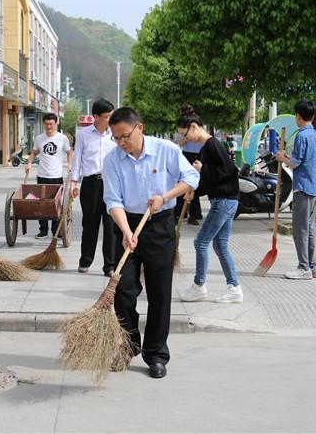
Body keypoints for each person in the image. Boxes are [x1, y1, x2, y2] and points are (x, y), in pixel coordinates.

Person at [103, 107, 199, 379]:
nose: (121, 143)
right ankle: (128, 344)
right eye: (116, 138)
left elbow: (192, 177)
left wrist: (165, 196)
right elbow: (113, 200)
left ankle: (155, 354)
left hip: (159, 225)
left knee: (159, 293)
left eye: (125, 136)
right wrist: (124, 230)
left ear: (139, 128)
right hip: (126, 225)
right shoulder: (112, 160)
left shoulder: (165, 149)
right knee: (123, 290)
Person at [176, 105, 243, 304]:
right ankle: (234, 288)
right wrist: (194, 192)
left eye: (185, 134)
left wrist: (202, 169)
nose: (186, 138)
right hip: (225, 199)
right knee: (220, 244)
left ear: (194, 127)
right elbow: (212, 180)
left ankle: (199, 285)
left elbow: (229, 171)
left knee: (201, 242)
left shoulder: (212, 145)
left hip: (224, 201)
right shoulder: (207, 148)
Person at [69, 99, 118, 276]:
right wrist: (73, 182)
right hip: (91, 183)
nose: (110, 120)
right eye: (107, 117)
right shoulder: (83, 134)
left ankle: (110, 266)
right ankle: (85, 260)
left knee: (111, 224)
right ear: (95, 117)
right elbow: (77, 161)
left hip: (112, 184)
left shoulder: (115, 134)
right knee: (90, 224)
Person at [276, 100, 316, 280]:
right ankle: (313, 265)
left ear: (298, 116)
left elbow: (295, 163)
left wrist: (282, 157)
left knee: (300, 230)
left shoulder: (302, 136)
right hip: (314, 188)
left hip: (303, 188)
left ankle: (304, 267)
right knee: (309, 229)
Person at [25, 113, 73, 238]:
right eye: (46, 124)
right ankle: (43, 230)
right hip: (42, 175)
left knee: (56, 203)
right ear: (44, 124)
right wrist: (29, 163)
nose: (49, 126)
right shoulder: (39, 138)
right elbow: (34, 152)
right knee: (42, 203)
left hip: (56, 176)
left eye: (51, 124)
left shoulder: (62, 138)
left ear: (56, 123)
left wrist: (69, 165)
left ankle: (55, 230)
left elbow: (69, 152)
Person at [174, 127, 204, 225]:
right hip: (187, 155)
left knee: (195, 186)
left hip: (199, 155)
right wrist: (187, 137)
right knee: (183, 184)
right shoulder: (184, 129)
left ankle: (194, 214)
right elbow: (180, 143)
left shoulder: (200, 128)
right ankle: (178, 214)